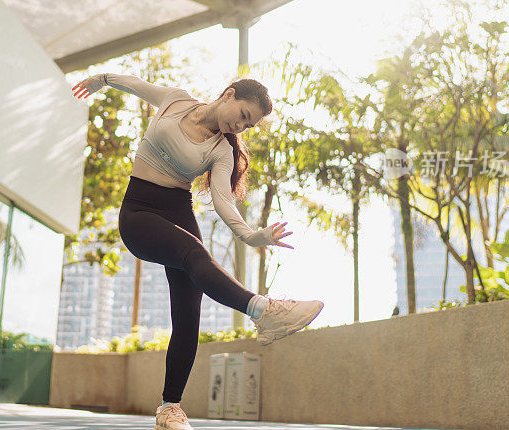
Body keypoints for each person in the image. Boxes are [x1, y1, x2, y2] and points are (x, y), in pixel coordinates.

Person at [71, 72, 324, 430]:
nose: (240, 126)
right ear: (229, 94)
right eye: (243, 114)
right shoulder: (175, 100)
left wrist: (253, 237)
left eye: (248, 125)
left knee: (189, 312)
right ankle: (262, 310)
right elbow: (136, 86)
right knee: (192, 250)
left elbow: (223, 202)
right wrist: (104, 80)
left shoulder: (221, 151)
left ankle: (169, 409)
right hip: (139, 213)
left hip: (179, 213)